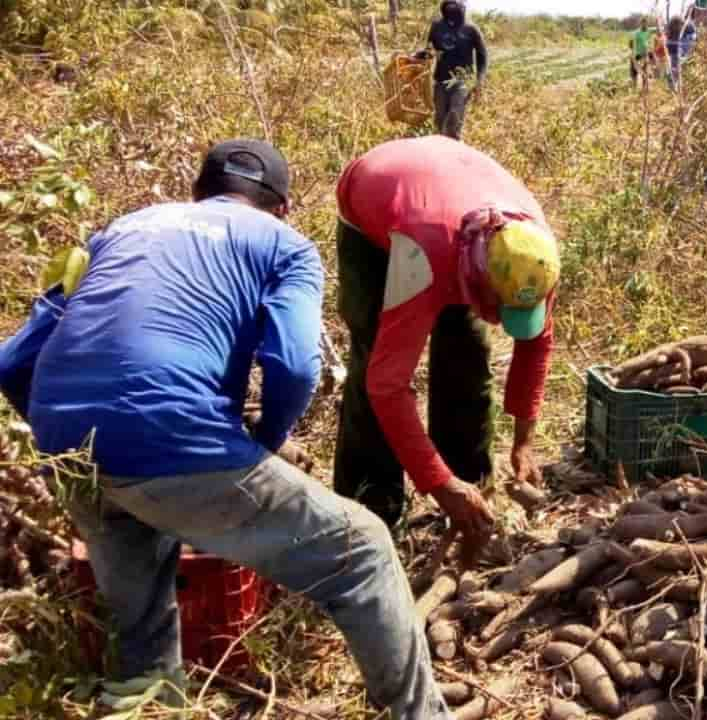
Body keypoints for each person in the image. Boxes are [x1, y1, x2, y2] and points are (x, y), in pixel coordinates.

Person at [8, 140, 454, 717]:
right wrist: (263, 443)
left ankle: (154, 701)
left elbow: (13, 362)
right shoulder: (284, 246)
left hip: (68, 444)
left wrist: (65, 432)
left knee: (142, 619)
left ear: (198, 192)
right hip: (173, 435)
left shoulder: (122, 230)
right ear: (283, 207)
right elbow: (294, 365)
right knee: (364, 549)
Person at [333, 136, 558, 533]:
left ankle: (471, 491)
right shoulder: (425, 256)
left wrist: (524, 442)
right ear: (478, 280)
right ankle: (371, 510)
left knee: (467, 353)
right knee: (374, 359)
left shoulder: (535, 255)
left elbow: (535, 347)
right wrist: (437, 483)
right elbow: (388, 386)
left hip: (450, 195)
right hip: (379, 206)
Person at [414, 0, 487, 140]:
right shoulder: (436, 27)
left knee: (455, 116)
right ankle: (440, 152)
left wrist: (480, 80)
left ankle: (454, 147)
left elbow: (482, 55)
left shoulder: (471, 29)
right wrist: (418, 56)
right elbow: (430, 51)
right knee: (440, 120)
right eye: (448, 8)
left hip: (462, 80)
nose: (451, 11)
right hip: (440, 80)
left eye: (455, 8)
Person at [666, 12, 698, 90]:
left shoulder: (687, 25)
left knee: (674, 70)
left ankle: (674, 87)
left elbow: (692, 40)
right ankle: (674, 87)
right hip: (676, 50)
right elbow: (692, 40)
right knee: (675, 70)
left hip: (674, 49)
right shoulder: (688, 25)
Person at [628, 22, 653, 90]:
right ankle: (636, 89)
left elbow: (649, 60)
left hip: (639, 65)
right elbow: (636, 66)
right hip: (635, 67)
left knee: (642, 77)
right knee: (634, 78)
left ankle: (644, 88)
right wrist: (644, 75)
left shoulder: (643, 51)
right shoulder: (632, 53)